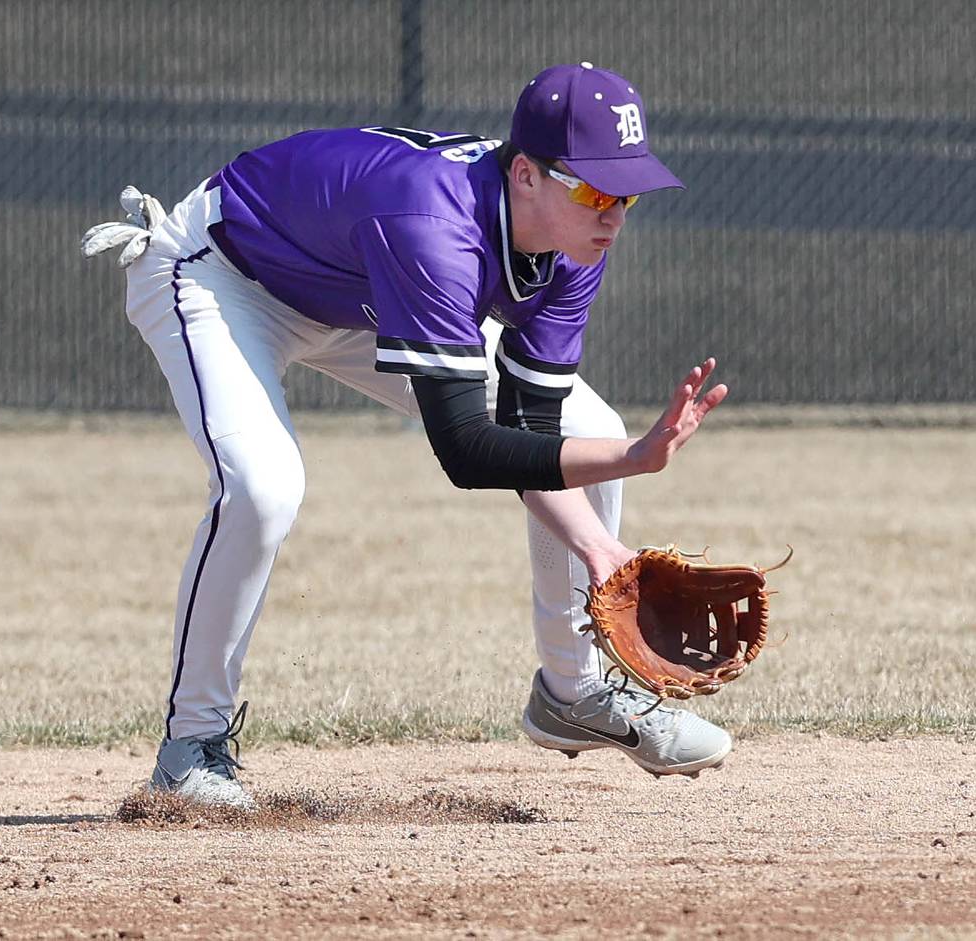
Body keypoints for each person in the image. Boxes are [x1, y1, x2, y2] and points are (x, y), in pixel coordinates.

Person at [81, 63, 732, 809]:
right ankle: (190, 747)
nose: (613, 211)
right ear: (525, 174)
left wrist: (603, 549)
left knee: (589, 427)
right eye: (592, 187)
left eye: (627, 190)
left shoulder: (573, 241)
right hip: (226, 272)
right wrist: (635, 465)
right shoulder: (435, 226)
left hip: (358, 285)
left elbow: (531, 429)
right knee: (263, 485)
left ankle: (571, 692)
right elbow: (466, 449)